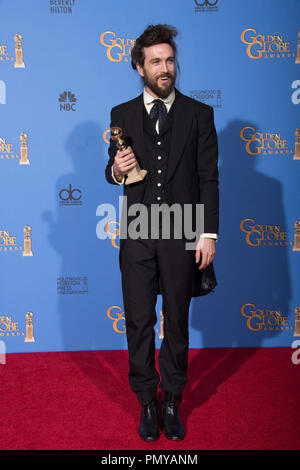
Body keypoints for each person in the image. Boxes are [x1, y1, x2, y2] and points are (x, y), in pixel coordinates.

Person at [105, 24, 219, 442]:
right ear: (139, 66)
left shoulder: (199, 114)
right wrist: (116, 170)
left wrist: (208, 233)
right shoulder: (121, 114)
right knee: (138, 320)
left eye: (170, 60)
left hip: (181, 228)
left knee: (176, 320)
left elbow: (209, 178)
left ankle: (171, 398)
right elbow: (113, 168)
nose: (165, 68)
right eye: (156, 61)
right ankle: (146, 401)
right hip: (137, 231)